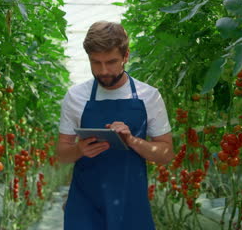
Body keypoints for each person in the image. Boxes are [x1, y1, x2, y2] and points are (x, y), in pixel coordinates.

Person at [57, 21, 174, 230]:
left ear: (126, 56)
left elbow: (165, 153)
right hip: (85, 207)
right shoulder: (75, 97)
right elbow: (61, 154)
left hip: (131, 205)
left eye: (111, 62)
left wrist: (132, 141)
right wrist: (78, 149)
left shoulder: (149, 96)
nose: (103, 71)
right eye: (96, 62)